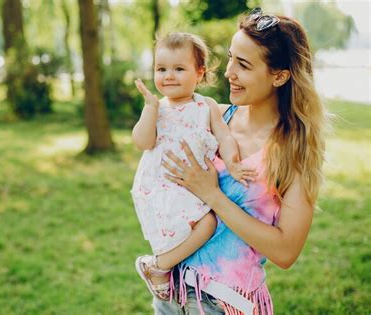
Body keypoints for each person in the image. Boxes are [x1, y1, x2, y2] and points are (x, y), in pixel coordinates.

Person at [155, 8, 328, 315]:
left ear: (279, 75)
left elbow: (286, 252)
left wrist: (213, 196)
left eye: (243, 65)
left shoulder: (293, 153)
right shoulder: (214, 117)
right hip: (172, 291)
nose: (229, 72)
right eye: (232, 58)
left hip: (226, 303)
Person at [131, 32, 256, 301]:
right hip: (161, 186)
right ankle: (161, 267)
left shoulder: (206, 105)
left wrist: (233, 164)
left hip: (191, 187)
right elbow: (142, 142)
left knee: (204, 224)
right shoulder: (157, 108)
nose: (169, 76)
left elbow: (224, 136)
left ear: (199, 73)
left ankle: (159, 266)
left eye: (179, 69)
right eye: (161, 69)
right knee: (205, 223)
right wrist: (150, 109)